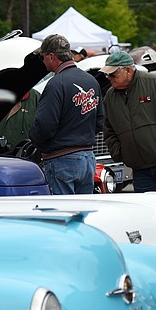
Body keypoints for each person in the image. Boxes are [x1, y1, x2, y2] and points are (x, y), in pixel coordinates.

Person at [101, 49, 156, 192]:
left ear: (129, 71)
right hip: (140, 168)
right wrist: (121, 154)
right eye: (107, 74)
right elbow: (109, 129)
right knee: (146, 212)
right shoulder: (110, 97)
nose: (109, 78)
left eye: (112, 74)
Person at [27, 34, 103, 194]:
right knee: (81, 212)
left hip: (62, 159)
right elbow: (99, 121)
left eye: (43, 57)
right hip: (87, 159)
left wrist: (34, 139)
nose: (43, 61)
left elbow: (45, 126)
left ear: (51, 56)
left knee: (62, 214)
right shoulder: (91, 81)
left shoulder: (56, 83)